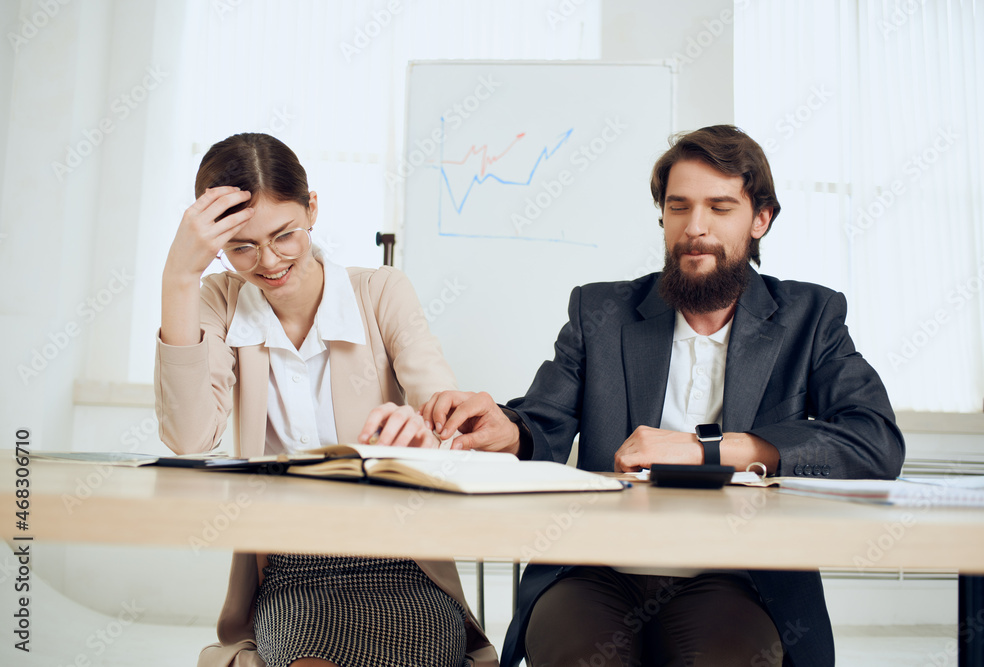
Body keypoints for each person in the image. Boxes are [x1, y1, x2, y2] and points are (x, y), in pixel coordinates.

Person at [421, 125, 905, 666]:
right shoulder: (600, 312)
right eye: (679, 207)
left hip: (735, 575)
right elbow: (543, 421)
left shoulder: (810, 317)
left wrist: (708, 450)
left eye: (719, 207)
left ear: (761, 219)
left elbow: (875, 442)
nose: (694, 227)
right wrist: (507, 429)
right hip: (596, 568)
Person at [154, 132, 497, 667]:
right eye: (242, 247)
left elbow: (444, 409)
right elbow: (189, 436)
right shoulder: (218, 300)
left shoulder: (380, 291)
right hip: (292, 568)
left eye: (284, 235)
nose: (269, 261)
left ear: (312, 209)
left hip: (401, 560)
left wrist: (425, 430)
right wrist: (179, 275)